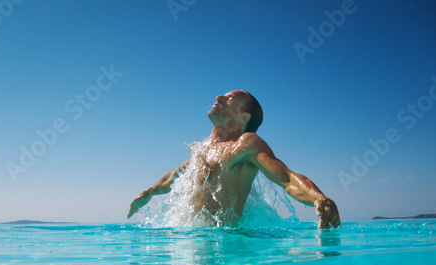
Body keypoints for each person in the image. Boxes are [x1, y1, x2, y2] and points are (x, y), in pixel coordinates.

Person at [128, 90, 340, 229]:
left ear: (244, 117)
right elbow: (174, 177)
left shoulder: (247, 144)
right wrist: (148, 193)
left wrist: (318, 198)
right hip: (190, 241)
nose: (219, 98)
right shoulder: (202, 148)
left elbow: (287, 178)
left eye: (230, 100)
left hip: (229, 248)